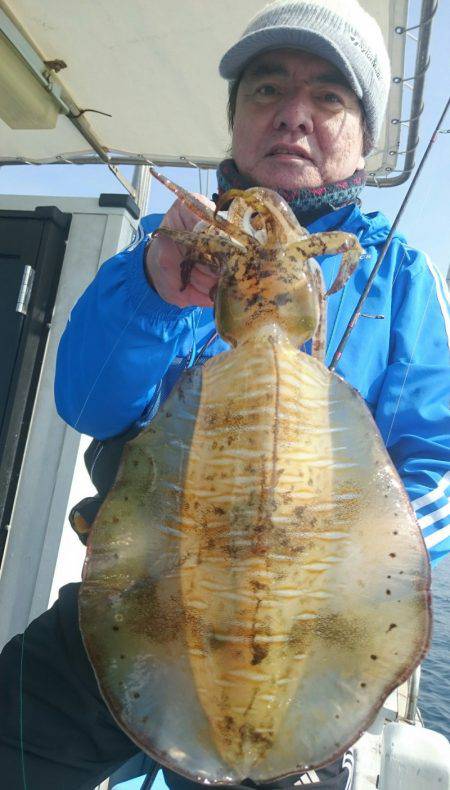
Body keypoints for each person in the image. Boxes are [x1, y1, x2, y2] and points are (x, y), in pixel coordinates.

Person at [1, 1, 449, 788]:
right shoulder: (162, 247)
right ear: (236, 119)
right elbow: (89, 403)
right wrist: (154, 292)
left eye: (329, 98)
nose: (293, 116)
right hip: (142, 604)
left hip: (297, 630)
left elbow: (440, 459)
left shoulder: (401, 278)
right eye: (266, 91)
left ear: (363, 139)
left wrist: (335, 545)